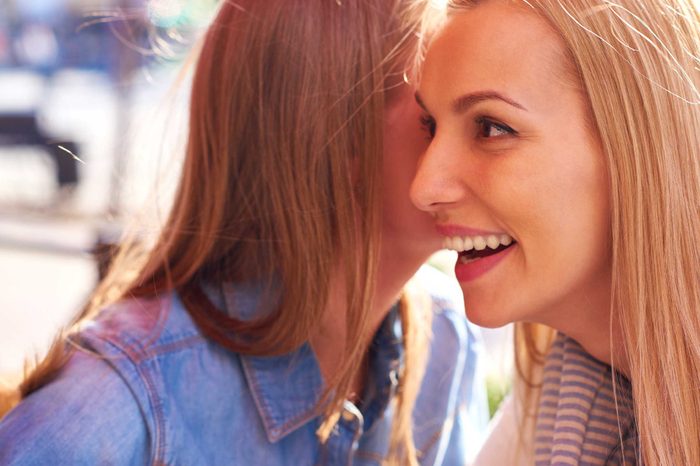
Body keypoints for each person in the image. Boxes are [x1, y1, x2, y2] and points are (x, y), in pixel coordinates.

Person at [0, 1, 489, 465]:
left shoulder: (447, 340)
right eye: (433, 118)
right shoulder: (116, 403)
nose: (480, 154)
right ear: (336, 140)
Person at [410, 0, 700, 464]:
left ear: (636, 148)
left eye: (490, 127)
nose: (424, 187)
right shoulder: (548, 410)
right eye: (430, 127)